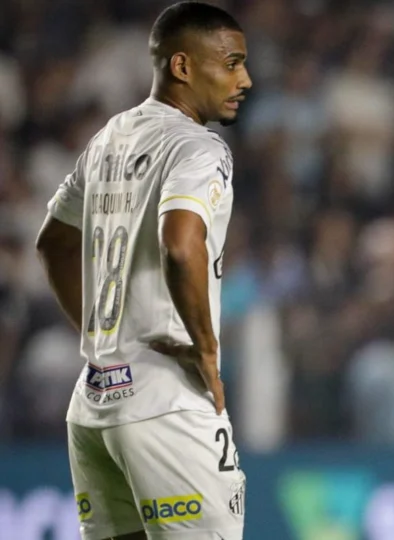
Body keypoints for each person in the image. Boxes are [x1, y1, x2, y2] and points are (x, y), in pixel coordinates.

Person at [35, 2, 252, 539]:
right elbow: (180, 243)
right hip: (167, 400)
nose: (244, 79)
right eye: (231, 63)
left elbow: (54, 242)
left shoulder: (110, 137)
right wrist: (206, 351)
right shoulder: (199, 147)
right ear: (182, 66)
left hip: (96, 399)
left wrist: (103, 338)